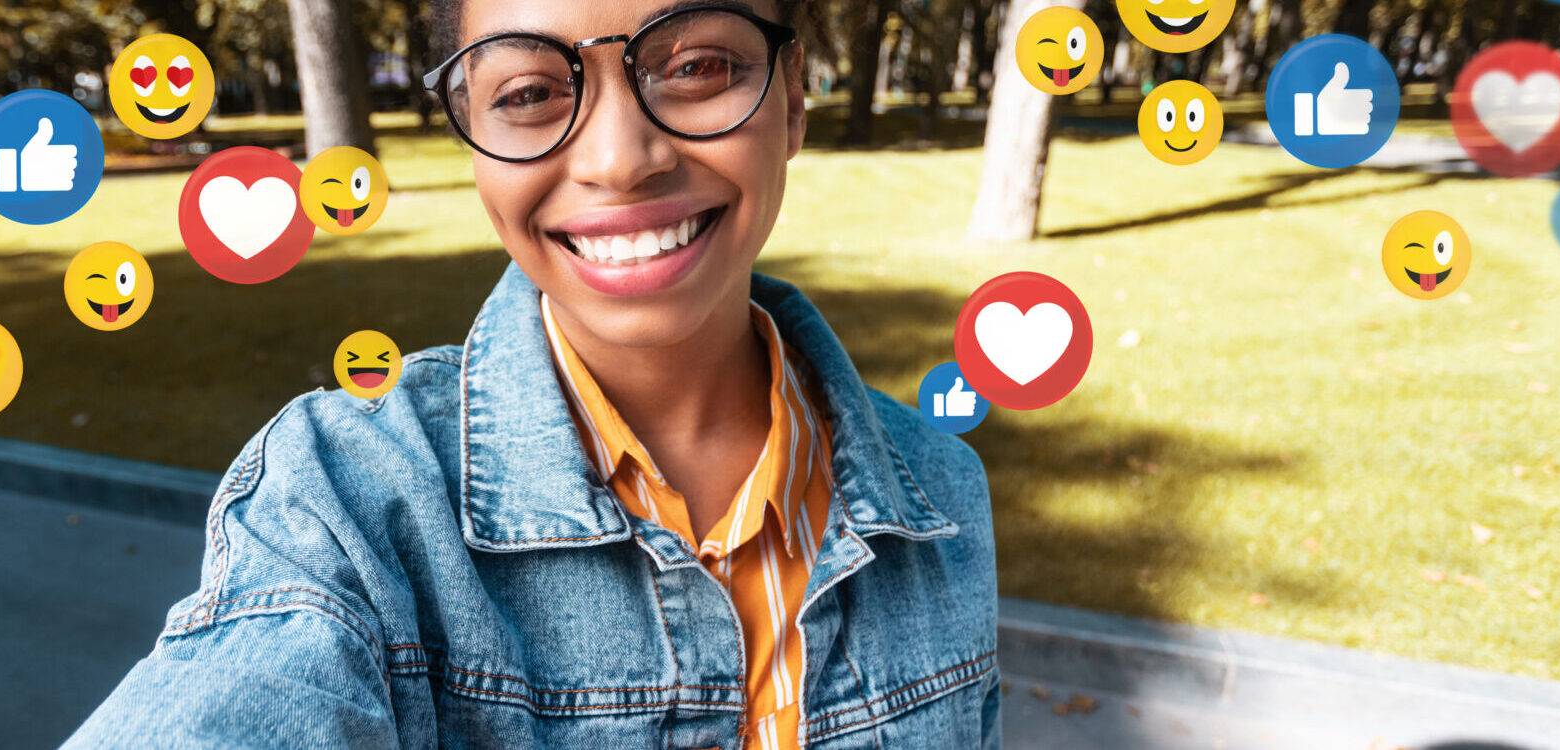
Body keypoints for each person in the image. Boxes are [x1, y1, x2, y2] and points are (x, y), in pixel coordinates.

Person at [65, 0, 998, 747]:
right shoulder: (345, 506)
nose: (620, 159)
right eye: (528, 93)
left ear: (792, 97)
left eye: (697, 66)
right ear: (472, 132)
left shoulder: (945, 488)